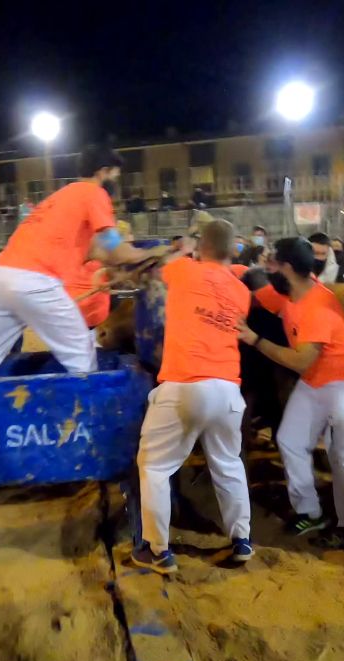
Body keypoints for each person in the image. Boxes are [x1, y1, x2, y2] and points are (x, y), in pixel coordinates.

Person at [237, 238, 344, 576]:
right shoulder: (291, 290)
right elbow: (249, 297)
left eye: (273, 263)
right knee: (290, 440)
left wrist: (256, 340)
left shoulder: (318, 307)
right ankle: (310, 512)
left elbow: (300, 360)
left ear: (288, 268)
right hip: (317, 381)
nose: (268, 267)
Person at [0, 145, 157, 382]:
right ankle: (86, 412)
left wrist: (128, 258)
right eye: (115, 175)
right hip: (34, 280)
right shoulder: (93, 193)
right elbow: (113, 245)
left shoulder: (62, 197)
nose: (116, 182)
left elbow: (100, 252)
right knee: (81, 352)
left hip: (0, 278)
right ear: (103, 171)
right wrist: (147, 254)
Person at [132, 219, 253, 574]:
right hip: (228, 390)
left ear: (202, 248)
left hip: (184, 385)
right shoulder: (241, 293)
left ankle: (158, 550)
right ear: (233, 250)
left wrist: (181, 249)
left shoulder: (184, 271)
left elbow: (158, 264)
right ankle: (241, 539)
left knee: (154, 466)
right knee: (229, 466)